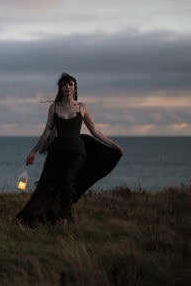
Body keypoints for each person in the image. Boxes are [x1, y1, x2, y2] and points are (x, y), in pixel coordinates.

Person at [16, 72, 123, 226]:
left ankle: (64, 218)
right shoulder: (54, 108)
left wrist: (114, 145)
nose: (67, 87)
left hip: (77, 152)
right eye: (64, 84)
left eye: (70, 84)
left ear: (74, 87)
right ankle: (50, 216)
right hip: (57, 153)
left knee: (67, 180)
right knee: (48, 185)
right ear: (60, 88)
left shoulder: (82, 107)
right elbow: (46, 132)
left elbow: (95, 131)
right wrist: (34, 151)